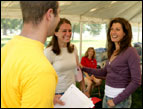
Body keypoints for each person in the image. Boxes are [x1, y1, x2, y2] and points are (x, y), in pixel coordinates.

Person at [1, 1, 60, 108]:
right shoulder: (41, 71)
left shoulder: (6, 50)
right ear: (50, 15)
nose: (59, 19)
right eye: (59, 13)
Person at [80, 17, 141, 108]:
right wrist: (83, 68)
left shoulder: (130, 51)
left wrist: (116, 100)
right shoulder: (113, 51)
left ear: (125, 33)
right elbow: (104, 72)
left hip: (120, 101)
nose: (113, 32)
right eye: (112, 29)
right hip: (107, 97)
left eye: (117, 29)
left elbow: (136, 81)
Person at [44, 18, 79, 99]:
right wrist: (52, 96)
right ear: (56, 33)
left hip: (73, 91)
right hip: (57, 94)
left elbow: (77, 70)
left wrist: (84, 89)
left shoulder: (73, 48)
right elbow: (43, 78)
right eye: (64, 31)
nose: (68, 33)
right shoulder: (49, 52)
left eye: (70, 30)